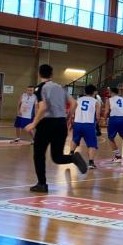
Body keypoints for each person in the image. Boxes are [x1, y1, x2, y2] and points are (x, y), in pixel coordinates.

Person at [24, 64, 87, 192]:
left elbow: (43, 108)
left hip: (46, 124)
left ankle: (42, 184)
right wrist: (68, 117)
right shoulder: (60, 87)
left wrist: (34, 123)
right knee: (57, 157)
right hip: (60, 124)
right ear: (52, 74)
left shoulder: (40, 88)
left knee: (39, 155)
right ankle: (73, 158)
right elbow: (74, 103)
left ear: (39, 74)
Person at [69, 84, 100, 169]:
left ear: (85, 91)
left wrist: (71, 120)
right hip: (88, 124)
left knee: (75, 139)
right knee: (92, 144)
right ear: (94, 92)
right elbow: (97, 116)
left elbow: (72, 112)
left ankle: (71, 154)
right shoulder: (96, 102)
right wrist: (97, 124)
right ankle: (91, 163)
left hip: (77, 123)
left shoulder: (78, 100)